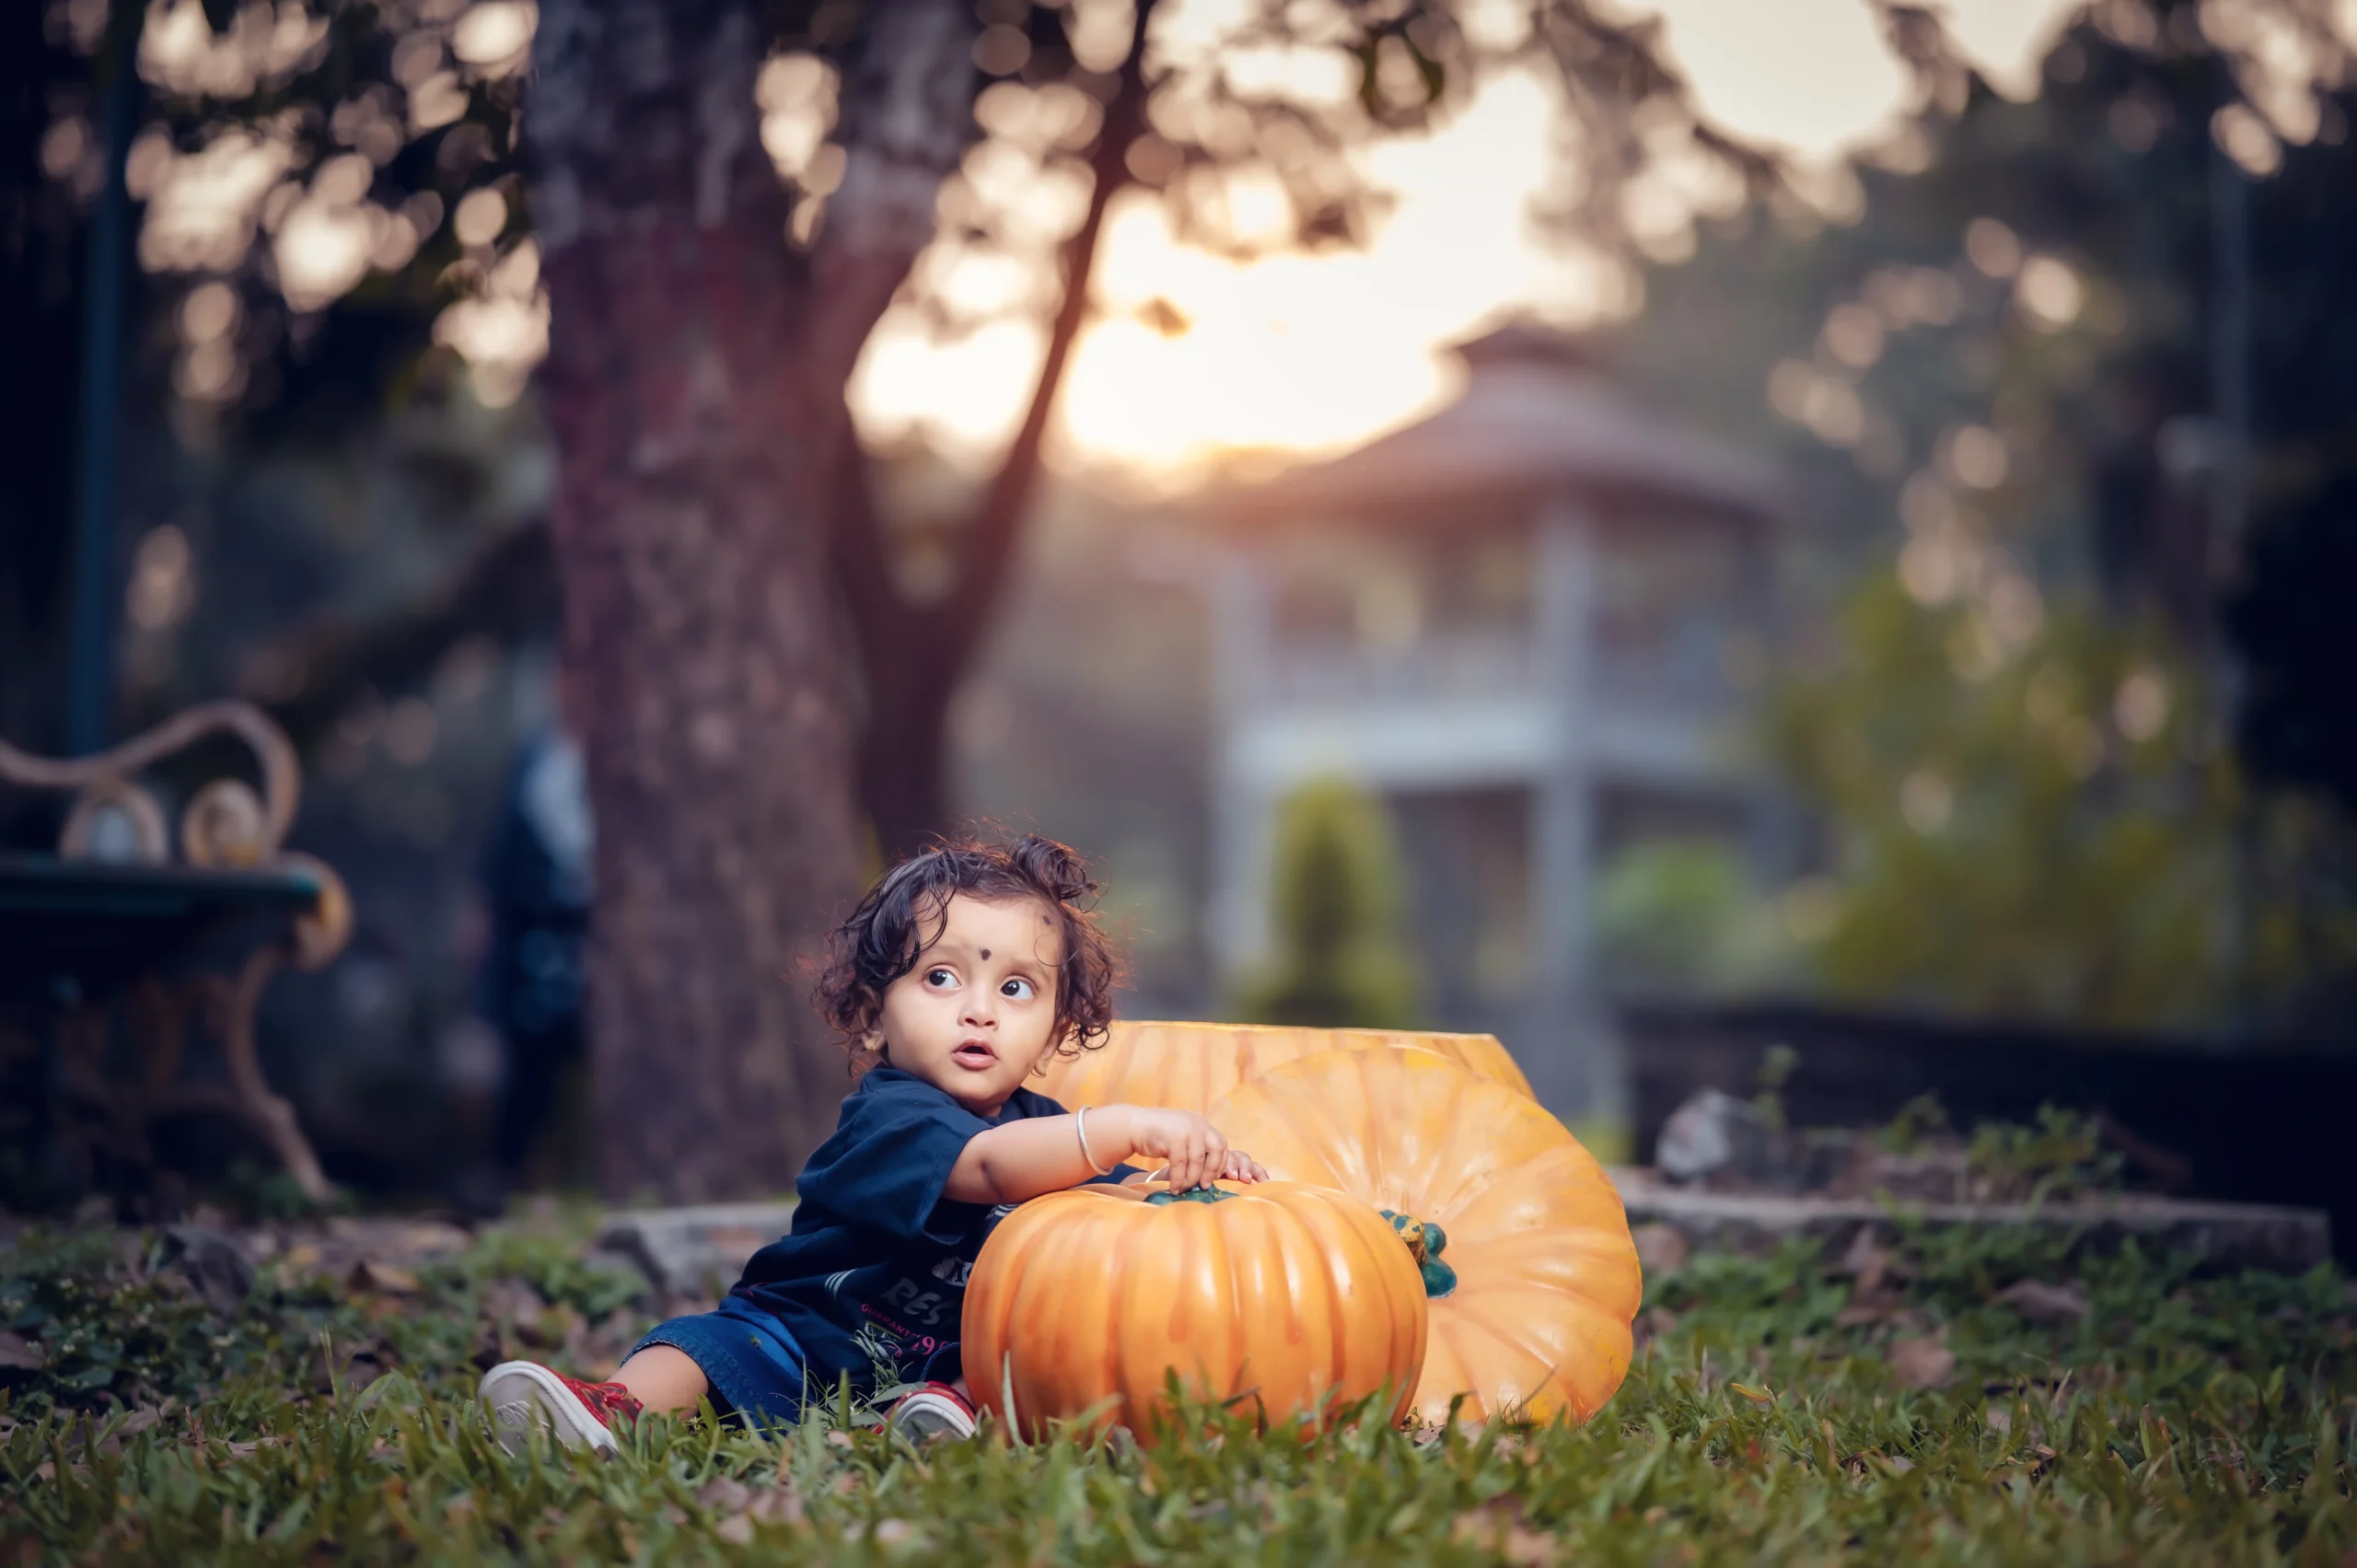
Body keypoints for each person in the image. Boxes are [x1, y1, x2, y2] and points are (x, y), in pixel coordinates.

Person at [478, 834, 1268, 1450]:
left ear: (1056, 1029)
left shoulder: (1045, 1124)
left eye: (1015, 987)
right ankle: (614, 1407)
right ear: (870, 1015)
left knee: (1015, 1360)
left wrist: (1204, 1179)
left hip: (932, 1362)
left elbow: (1112, 1215)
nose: (980, 1011)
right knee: (703, 1343)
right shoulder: (895, 1115)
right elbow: (988, 1168)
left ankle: (935, 1419)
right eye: (941, 977)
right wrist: (1129, 1126)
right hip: (804, 1337)